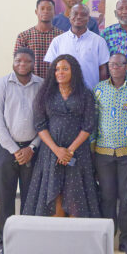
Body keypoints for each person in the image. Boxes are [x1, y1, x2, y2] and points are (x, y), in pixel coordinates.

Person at [24, 54, 100, 217]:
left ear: (74, 71)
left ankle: (74, 239)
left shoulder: (85, 94)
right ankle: (55, 237)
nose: (60, 72)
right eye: (57, 69)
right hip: (51, 151)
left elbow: (88, 125)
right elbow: (40, 125)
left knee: (75, 196)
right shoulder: (45, 94)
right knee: (54, 194)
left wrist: (70, 151)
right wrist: (57, 150)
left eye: (65, 69)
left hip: (78, 152)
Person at [0, 48, 43, 254]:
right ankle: (4, 246)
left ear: (33, 63)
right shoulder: (1, 85)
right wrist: (15, 150)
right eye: (18, 60)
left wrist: (32, 148)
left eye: (27, 60)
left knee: (31, 200)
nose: (22, 63)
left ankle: (27, 244)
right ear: (13, 62)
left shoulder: (41, 85)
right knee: (6, 200)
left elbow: (45, 121)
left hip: (33, 150)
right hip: (5, 150)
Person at [94, 53, 127, 254]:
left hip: (126, 154)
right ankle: (107, 240)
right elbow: (93, 121)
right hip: (102, 152)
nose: (115, 68)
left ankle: (125, 241)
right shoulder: (98, 90)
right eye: (111, 65)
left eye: (119, 65)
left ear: (126, 66)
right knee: (107, 197)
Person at [44, 3, 110, 90]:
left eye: (83, 14)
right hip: (64, 95)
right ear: (69, 17)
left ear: (89, 19)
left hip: (91, 94)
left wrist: (101, 92)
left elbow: (103, 71)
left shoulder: (99, 41)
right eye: (75, 14)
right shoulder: (57, 41)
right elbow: (52, 69)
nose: (79, 17)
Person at [14, 0, 64, 78]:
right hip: (31, 83)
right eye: (42, 9)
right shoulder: (24, 36)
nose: (45, 11)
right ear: (36, 12)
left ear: (54, 12)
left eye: (49, 9)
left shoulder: (61, 36)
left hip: (55, 83)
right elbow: (18, 63)